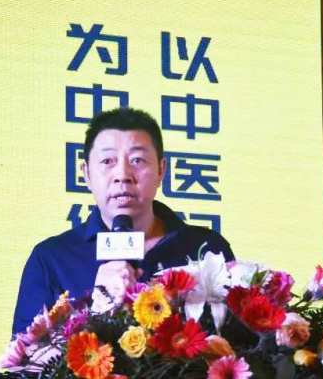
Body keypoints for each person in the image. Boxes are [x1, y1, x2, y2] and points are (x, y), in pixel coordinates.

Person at [12, 108, 234, 335]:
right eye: (107, 161)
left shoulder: (208, 248)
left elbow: (238, 342)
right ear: (87, 174)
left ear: (161, 170)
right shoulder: (51, 260)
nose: (122, 175)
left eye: (137, 160)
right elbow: (26, 354)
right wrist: (94, 311)